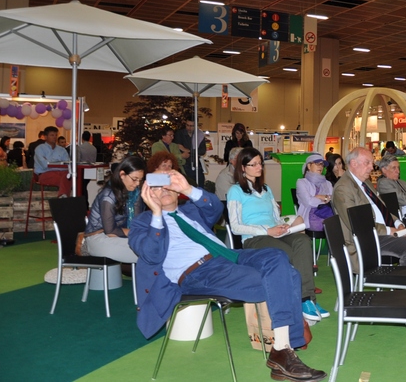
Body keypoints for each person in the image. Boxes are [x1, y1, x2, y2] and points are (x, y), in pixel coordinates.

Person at [128, 168, 326, 382]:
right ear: (147, 193)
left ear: (177, 192)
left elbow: (215, 208)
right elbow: (150, 254)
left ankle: (281, 349)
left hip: (229, 257)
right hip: (199, 272)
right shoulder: (143, 222)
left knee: (277, 258)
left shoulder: (190, 211)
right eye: (156, 186)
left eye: (168, 183)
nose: (163, 189)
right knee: (289, 277)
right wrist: (157, 214)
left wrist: (188, 188)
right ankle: (284, 348)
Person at [227, 147, 329, 322]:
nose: (259, 167)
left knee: (303, 241)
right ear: (243, 168)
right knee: (287, 253)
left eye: (260, 163)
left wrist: (287, 224)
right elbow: (236, 227)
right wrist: (267, 230)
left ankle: (307, 299)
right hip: (254, 238)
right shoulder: (235, 191)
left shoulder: (266, 189)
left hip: (275, 233)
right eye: (254, 164)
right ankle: (303, 300)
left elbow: (276, 218)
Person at [332, 147, 406, 275]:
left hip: (384, 232)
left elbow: (382, 209)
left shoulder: (366, 183)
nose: (372, 167)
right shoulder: (343, 189)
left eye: (372, 163)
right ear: (354, 163)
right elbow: (358, 224)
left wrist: (397, 223)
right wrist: (390, 230)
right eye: (368, 163)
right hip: (367, 239)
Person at [84, 156, 145, 263]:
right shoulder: (108, 196)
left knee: (151, 246)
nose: (137, 184)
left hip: (119, 236)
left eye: (140, 180)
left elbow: (137, 222)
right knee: (150, 251)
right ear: (122, 175)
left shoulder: (135, 193)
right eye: (135, 179)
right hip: (98, 238)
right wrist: (136, 232)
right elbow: (110, 231)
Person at [295, 153, 335, 232]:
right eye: (317, 164)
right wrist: (323, 197)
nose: (320, 166)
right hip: (310, 217)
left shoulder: (328, 183)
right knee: (335, 227)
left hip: (327, 214)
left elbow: (333, 200)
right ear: (309, 166)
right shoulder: (302, 182)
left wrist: (317, 197)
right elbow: (309, 202)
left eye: (322, 164)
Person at [34, 126, 73, 198]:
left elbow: (67, 165)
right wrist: (59, 163)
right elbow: (44, 165)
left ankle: (62, 197)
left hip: (62, 173)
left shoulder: (62, 150)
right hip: (44, 174)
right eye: (52, 135)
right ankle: (63, 198)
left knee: (69, 175)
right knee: (67, 179)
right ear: (45, 137)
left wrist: (50, 163)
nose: (55, 137)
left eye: (56, 135)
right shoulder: (39, 149)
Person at [175, 117, 206, 184]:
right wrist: (194, 151)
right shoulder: (180, 133)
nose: (189, 127)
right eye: (187, 125)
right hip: (184, 164)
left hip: (197, 164)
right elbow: (178, 147)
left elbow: (202, 151)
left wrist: (188, 151)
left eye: (191, 126)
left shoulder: (200, 135)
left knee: (200, 185)